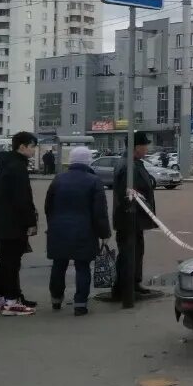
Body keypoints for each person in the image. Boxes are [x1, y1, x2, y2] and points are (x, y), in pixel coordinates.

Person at [45, 146, 112, 316]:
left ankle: (56, 299)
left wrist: (53, 224)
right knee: (82, 267)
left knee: (59, 265)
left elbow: (48, 206)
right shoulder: (93, 180)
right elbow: (100, 212)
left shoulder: (58, 179)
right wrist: (104, 234)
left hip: (58, 230)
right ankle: (80, 304)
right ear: (88, 160)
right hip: (85, 231)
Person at [0, 132, 40, 316]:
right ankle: (11, 301)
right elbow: (22, 199)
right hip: (14, 223)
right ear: (22, 147)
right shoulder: (18, 168)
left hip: (3, 221)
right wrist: (30, 222)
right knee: (11, 262)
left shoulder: (5, 165)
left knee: (4, 261)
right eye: (32, 146)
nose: (34, 150)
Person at [112, 131, 158, 309]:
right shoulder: (127, 166)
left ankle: (134, 283)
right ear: (136, 147)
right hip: (129, 219)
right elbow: (128, 194)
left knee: (136, 252)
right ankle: (124, 288)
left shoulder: (134, 164)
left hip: (136, 219)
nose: (147, 148)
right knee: (128, 254)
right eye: (144, 145)